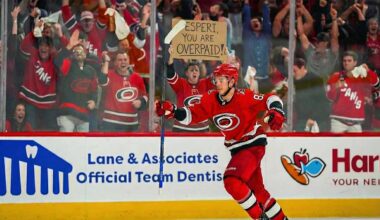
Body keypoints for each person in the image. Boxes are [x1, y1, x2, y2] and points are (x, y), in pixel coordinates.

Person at [156, 64, 287, 219]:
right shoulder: (211, 99)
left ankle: (259, 217)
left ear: (232, 82)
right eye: (215, 79)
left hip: (253, 144)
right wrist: (173, 111)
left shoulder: (245, 97)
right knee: (258, 192)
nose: (217, 83)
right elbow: (192, 115)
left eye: (221, 80)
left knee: (231, 181)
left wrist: (277, 111)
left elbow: (272, 98)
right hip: (237, 149)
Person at [54, 30, 99, 132]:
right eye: (76, 50)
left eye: (81, 50)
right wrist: (69, 46)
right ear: (72, 54)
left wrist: (94, 101)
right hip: (67, 113)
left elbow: (94, 89)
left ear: (86, 54)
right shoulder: (68, 64)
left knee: (83, 146)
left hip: (84, 115)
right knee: (65, 143)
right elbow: (57, 62)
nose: (78, 52)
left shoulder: (91, 71)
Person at [326, 51, 380, 132]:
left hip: (356, 121)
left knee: (357, 144)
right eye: (344, 61)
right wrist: (335, 87)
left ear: (355, 62)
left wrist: (369, 71)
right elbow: (329, 98)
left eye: (349, 60)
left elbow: (377, 84)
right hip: (338, 121)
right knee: (336, 144)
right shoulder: (336, 76)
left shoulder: (362, 76)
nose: (346, 63)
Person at [98, 51, 148, 132]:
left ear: (129, 61)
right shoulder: (110, 75)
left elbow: (145, 96)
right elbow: (102, 81)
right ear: (115, 63)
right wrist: (106, 62)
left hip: (131, 124)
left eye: (125, 59)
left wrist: (141, 101)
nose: (123, 62)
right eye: (120, 60)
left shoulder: (137, 77)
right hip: (110, 123)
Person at [167, 59, 214, 132]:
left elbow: (218, 76)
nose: (194, 72)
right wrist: (171, 59)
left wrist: (224, 61)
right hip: (181, 128)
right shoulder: (181, 84)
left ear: (199, 73)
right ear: (186, 73)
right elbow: (170, 75)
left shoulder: (205, 83)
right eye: (192, 70)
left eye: (196, 70)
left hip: (202, 128)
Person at [293, 58, 330, 132]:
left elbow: (322, 102)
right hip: (301, 120)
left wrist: (313, 118)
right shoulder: (292, 81)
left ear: (302, 68)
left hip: (317, 120)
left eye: (295, 71)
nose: (293, 74)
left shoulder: (315, 80)